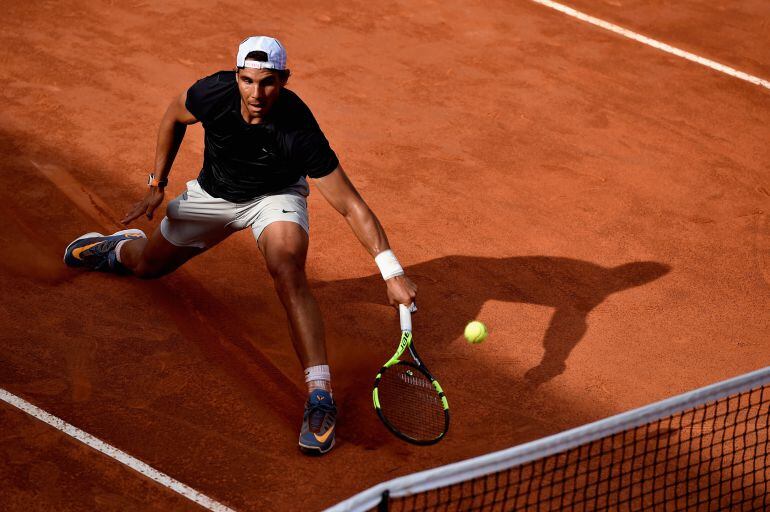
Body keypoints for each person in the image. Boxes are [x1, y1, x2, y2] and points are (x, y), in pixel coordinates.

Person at [63, 36, 417, 455]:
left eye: (268, 82)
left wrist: (392, 272)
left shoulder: (298, 129)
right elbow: (174, 115)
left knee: (287, 269)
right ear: (236, 77)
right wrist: (156, 184)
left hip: (274, 197)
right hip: (213, 196)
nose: (256, 93)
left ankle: (320, 396)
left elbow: (350, 205)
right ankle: (120, 249)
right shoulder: (212, 93)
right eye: (247, 80)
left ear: (284, 80)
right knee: (147, 267)